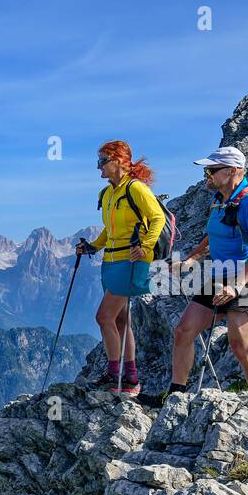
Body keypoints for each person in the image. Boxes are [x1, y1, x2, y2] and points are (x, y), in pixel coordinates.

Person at [153, 146, 248, 401]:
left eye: (212, 170)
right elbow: (212, 236)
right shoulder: (219, 200)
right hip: (219, 277)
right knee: (183, 330)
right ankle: (175, 396)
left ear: (232, 171)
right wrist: (190, 261)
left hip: (247, 280)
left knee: (240, 345)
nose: (207, 175)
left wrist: (237, 286)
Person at [76, 141, 165, 396]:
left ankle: (114, 376)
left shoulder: (136, 189)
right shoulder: (107, 193)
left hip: (131, 260)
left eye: (102, 161)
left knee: (103, 317)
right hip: (111, 261)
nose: (98, 167)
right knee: (120, 319)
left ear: (118, 161)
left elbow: (157, 217)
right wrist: (93, 247)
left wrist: (146, 245)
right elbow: (110, 230)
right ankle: (130, 379)